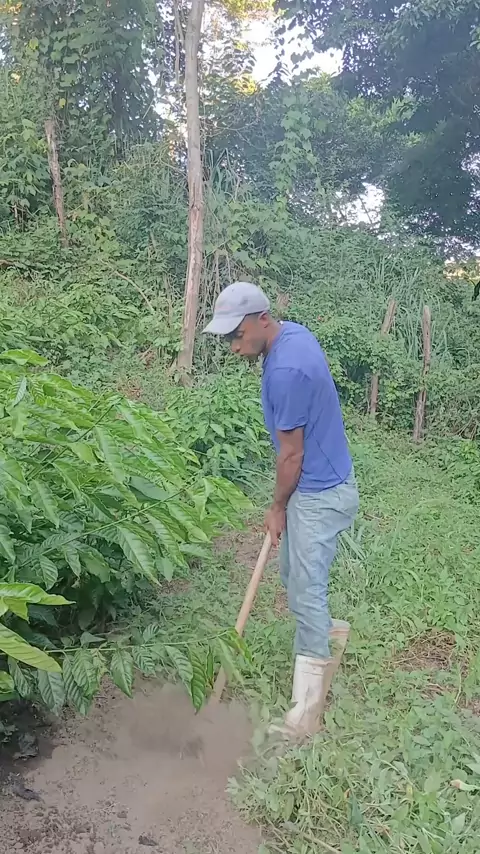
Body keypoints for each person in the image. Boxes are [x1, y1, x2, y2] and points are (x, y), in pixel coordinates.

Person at [204, 282, 359, 739]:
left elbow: (291, 455)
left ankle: (304, 718)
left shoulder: (286, 369)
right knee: (293, 576)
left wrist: (277, 507)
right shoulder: (291, 336)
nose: (234, 347)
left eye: (238, 335)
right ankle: (328, 636)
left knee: (306, 591)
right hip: (318, 482)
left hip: (318, 491)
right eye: (228, 338)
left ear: (262, 319)